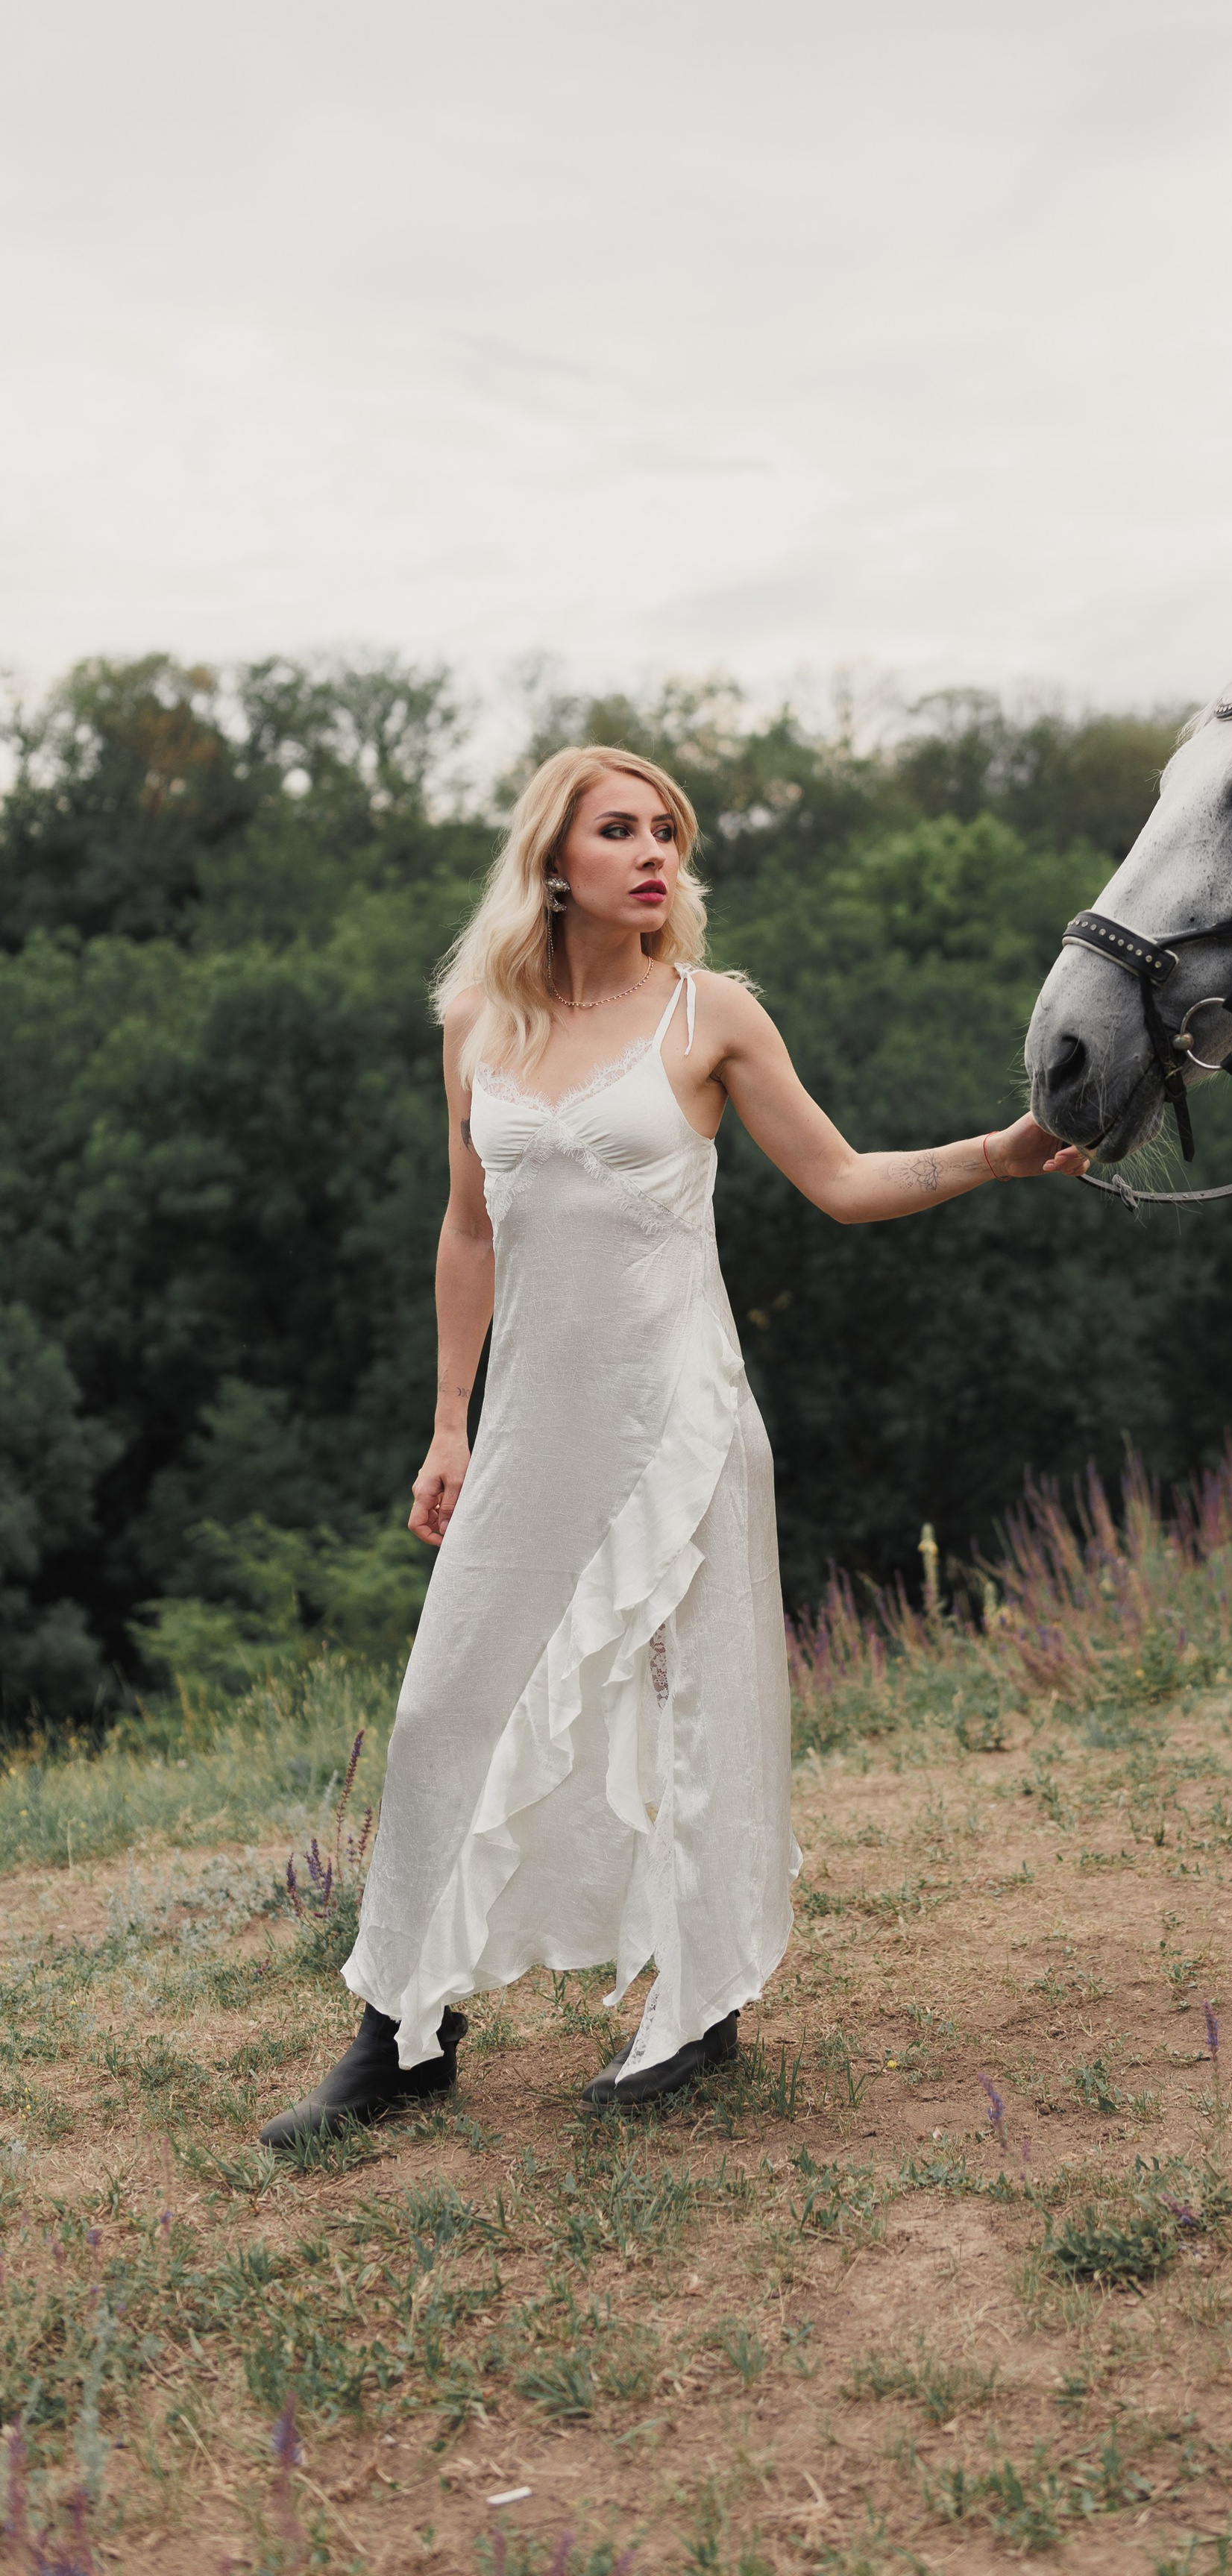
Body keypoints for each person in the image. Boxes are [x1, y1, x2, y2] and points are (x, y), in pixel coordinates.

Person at [261, 746, 1085, 2144]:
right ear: (553, 861)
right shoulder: (477, 1021)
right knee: (442, 1707)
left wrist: (999, 1156)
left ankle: (698, 2009)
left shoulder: (713, 1014)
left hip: (678, 1427)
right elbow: (468, 1228)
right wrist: (448, 1422)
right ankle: (402, 2034)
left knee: (694, 1711)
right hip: (528, 1429)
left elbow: (842, 1181)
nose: (655, 855)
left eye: (668, 833)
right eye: (621, 831)